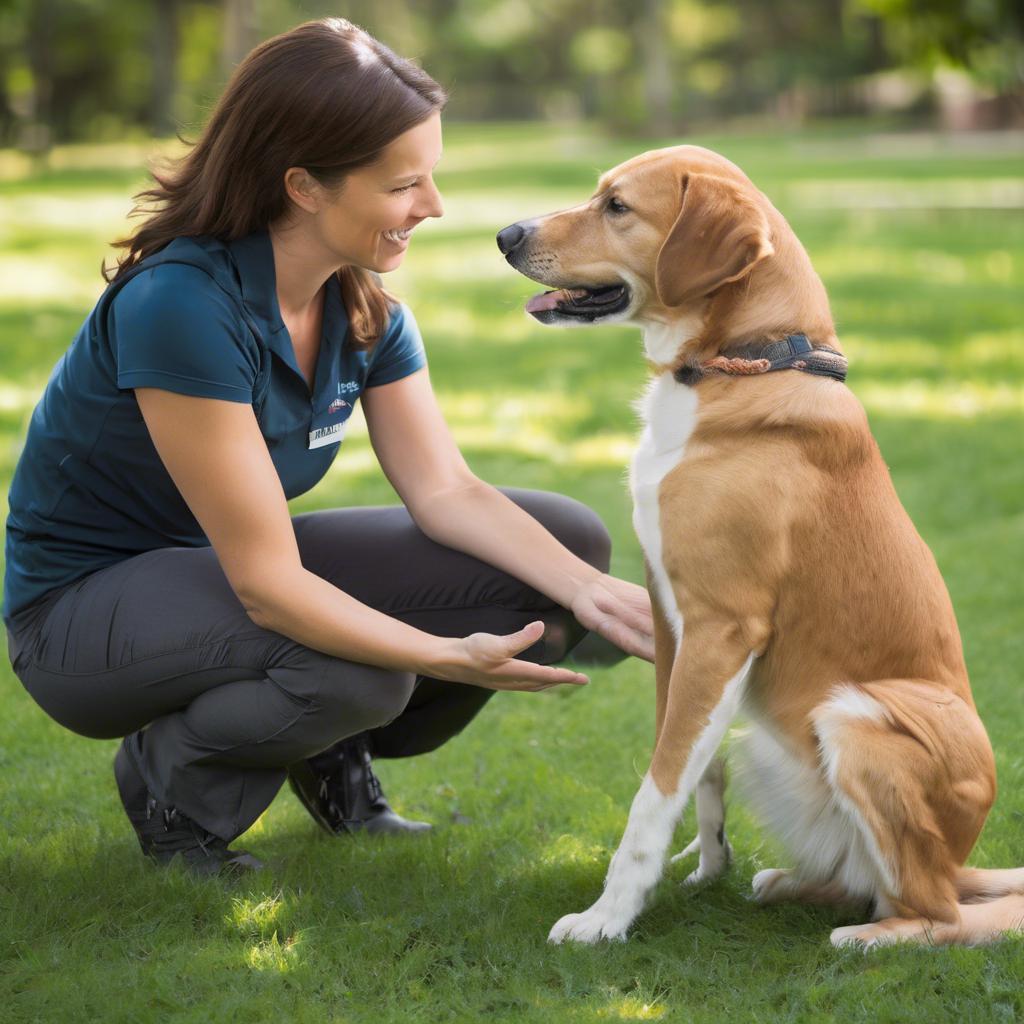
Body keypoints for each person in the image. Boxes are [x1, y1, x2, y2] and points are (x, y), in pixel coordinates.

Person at [2, 18, 654, 876]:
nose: (434, 206)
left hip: (226, 571)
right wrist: (440, 657)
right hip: (81, 619)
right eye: (404, 184)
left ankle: (322, 749)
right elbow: (269, 587)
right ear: (304, 186)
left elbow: (447, 492)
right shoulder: (180, 305)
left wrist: (592, 592)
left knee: (563, 545)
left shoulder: (365, 308)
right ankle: (173, 789)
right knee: (363, 674)